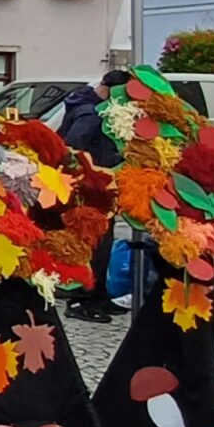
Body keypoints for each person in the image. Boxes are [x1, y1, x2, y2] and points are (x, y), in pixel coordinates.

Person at [57, 70, 131, 320]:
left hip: (98, 188)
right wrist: (108, 163)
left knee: (103, 243)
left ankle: (98, 295)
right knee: (93, 245)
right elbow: (74, 149)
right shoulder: (90, 114)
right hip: (90, 189)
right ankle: (83, 300)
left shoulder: (87, 105)